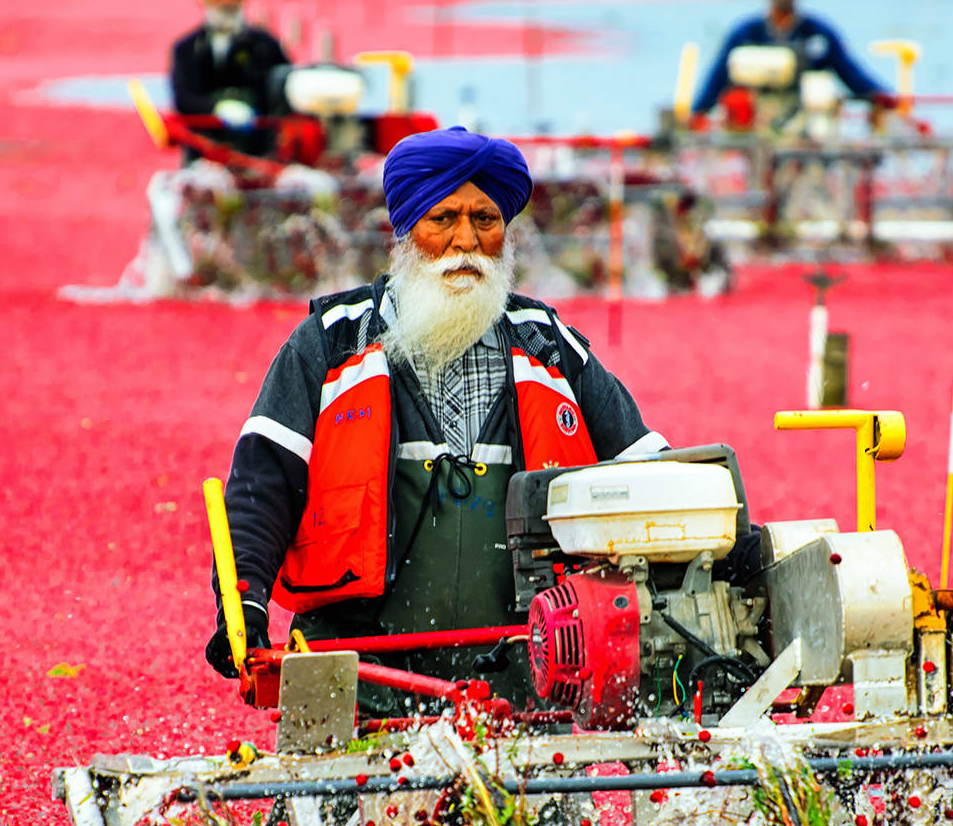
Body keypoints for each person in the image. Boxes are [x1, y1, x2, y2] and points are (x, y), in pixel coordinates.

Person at [205, 128, 669, 700]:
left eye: (485, 219)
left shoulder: (549, 346)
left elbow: (652, 473)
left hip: (524, 677)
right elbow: (262, 483)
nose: (466, 241)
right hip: (357, 672)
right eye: (443, 219)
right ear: (404, 230)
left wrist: (744, 547)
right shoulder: (329, 343)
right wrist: (243, 604)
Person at [691, 0, 893, 117]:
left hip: (806, 129)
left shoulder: (818, 33)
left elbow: (853, 75)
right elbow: (715, 82)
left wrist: (886, 99)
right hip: (754, 129)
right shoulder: (745, 34)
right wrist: (696, 114)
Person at [169, 0, 291, 159]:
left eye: (233, 6)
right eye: (221, 7)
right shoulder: (186, 49)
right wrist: (217, 108)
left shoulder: (265, 46)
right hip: (203, 154)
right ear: (206, 1)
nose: (227, 11)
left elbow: (285, 89)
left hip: (259, 154)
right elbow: (183, 98)